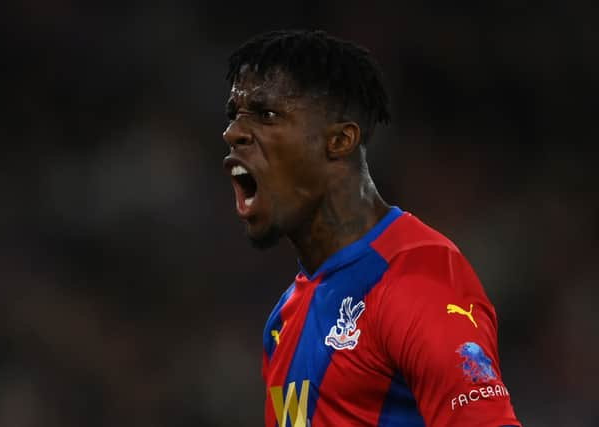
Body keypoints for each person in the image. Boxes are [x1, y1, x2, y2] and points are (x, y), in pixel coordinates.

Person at [222, 29, 521, 427]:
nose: (233, 133)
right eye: (234, 116)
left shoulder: (418, 278)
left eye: (266, 114)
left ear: (340, 140)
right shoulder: (282, 320)